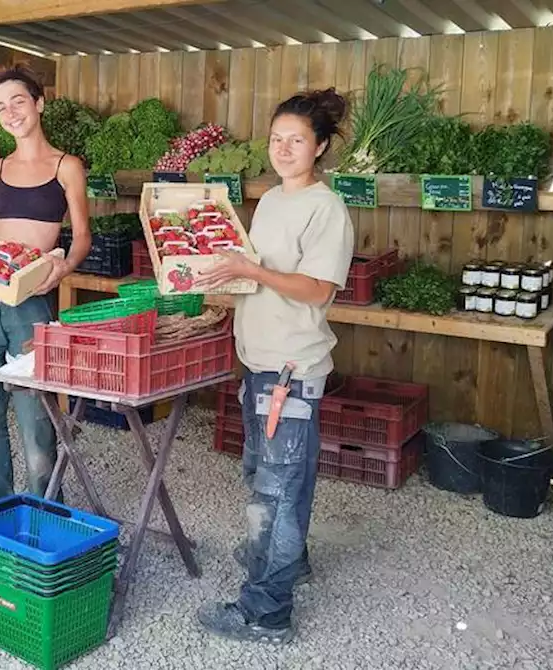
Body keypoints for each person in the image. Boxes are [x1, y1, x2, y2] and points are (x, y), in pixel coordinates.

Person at [192, 89, 355, 643]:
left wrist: (252, 273)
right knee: (262, 477)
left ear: (321, 147)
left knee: (278, 491)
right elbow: (258, 275)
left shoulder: (325, 208)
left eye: (297, 140)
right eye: (277, 138)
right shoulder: (271, 201)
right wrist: (222, 285)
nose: (284, 149)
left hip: (291, 369)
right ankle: (288, 559)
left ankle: (266, 612)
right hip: (257, 362)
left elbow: (315, 289)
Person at [0, 65, 91, 505]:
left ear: (39, 103)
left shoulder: (66, 166)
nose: (10, 112)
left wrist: (63, 266)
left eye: (18, 101)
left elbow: (82, 237)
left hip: (30, 300)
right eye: (0, 106)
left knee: (36, 416)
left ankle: (43, 505)